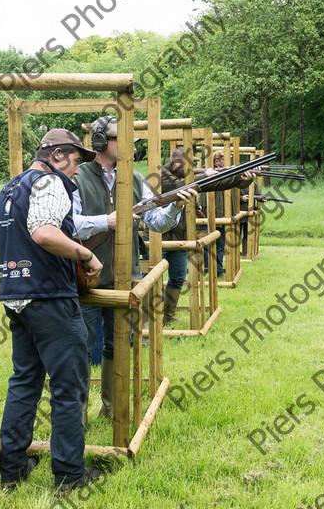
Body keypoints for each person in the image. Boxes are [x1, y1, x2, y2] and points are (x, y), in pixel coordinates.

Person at [0, 129, 104, 495]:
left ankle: (11, 470)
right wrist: (86, 254)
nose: (75, 171)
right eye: (75, 161)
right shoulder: (50, 182)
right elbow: (43, 233)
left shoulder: (11, 189)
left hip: (16, 297)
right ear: (58, 155)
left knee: (24, 384)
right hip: (50, 300)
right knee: (69, 389)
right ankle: (70, 476)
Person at [73, 116, 197, 419]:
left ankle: (112, 413)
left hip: (125, 278)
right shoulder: (77, 176)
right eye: (122, 140)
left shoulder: (135, 178)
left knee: (119, 348)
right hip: (85, 278)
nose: (130, 147)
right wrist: (107, 221)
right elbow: (67, 225)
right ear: (100, 142)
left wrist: (176, 206)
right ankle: (74, 418)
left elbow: (156, 222)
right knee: (79, 352)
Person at [161, 147, 255, 322]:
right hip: (158, 235)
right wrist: (206, 174)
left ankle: (168, 315)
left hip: (180, 235)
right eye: (190, 166)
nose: (193, 169)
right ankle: (148, 321)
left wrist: (239, 179)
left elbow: (214, 184)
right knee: (154, 281)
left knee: (178, 277)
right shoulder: (162, 175)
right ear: (175, 164)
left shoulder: (184, 176)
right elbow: (178, 187)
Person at [202, 150, 227, 278]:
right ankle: (213, 270)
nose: (225, 161)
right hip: (209, 215)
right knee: (213, 245)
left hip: (218, 214)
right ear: (217, 161)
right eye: (223, 159)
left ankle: (218, 269)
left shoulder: (220, 174)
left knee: (220, 245)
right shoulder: (208, 175)